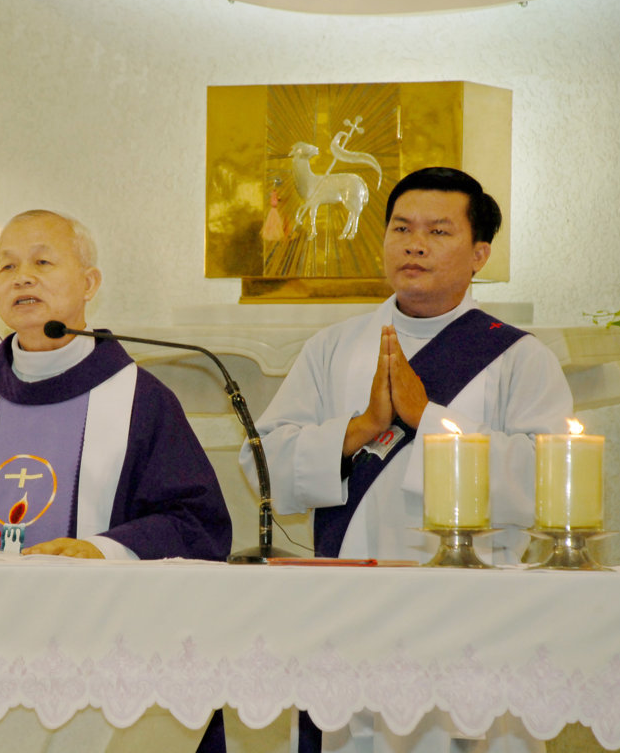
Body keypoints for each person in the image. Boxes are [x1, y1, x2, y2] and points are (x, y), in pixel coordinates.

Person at [241, 167, 572, 753]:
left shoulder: (519, 357)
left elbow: (546, 480)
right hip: (348, 608)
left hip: (469, 615)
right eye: (401, 228)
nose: (415, 244)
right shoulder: (334, 346)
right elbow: (262, 464)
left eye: (438, 231)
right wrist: (361, 429)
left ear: (480, 254)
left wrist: (428, 419)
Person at [0, 209, 231, 563]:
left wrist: (103, 550)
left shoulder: (141, 402)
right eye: (7, 266)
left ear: (89, 283)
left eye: (42, 262)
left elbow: (195, 523)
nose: (22, 277)